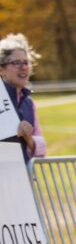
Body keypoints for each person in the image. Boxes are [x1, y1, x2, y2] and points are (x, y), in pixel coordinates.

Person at [0, 33, 46, 163]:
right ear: (1, 69)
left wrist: (28, 137)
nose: (24, 66)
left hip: (21, 177)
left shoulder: (29, 103)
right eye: (16, 62)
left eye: (26, 62)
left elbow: (41, 149)